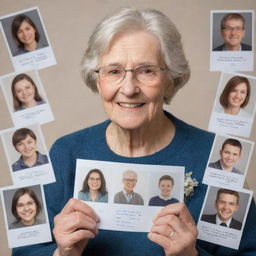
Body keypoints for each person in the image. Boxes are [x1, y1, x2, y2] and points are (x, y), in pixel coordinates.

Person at [12, 8, 256, 256]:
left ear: (171, 79)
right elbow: (24, 250)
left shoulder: (218, 156)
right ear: (98, 80)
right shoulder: (65, 153)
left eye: (147, 70)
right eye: (114, 71)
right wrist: (62, 254)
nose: (128, 89)